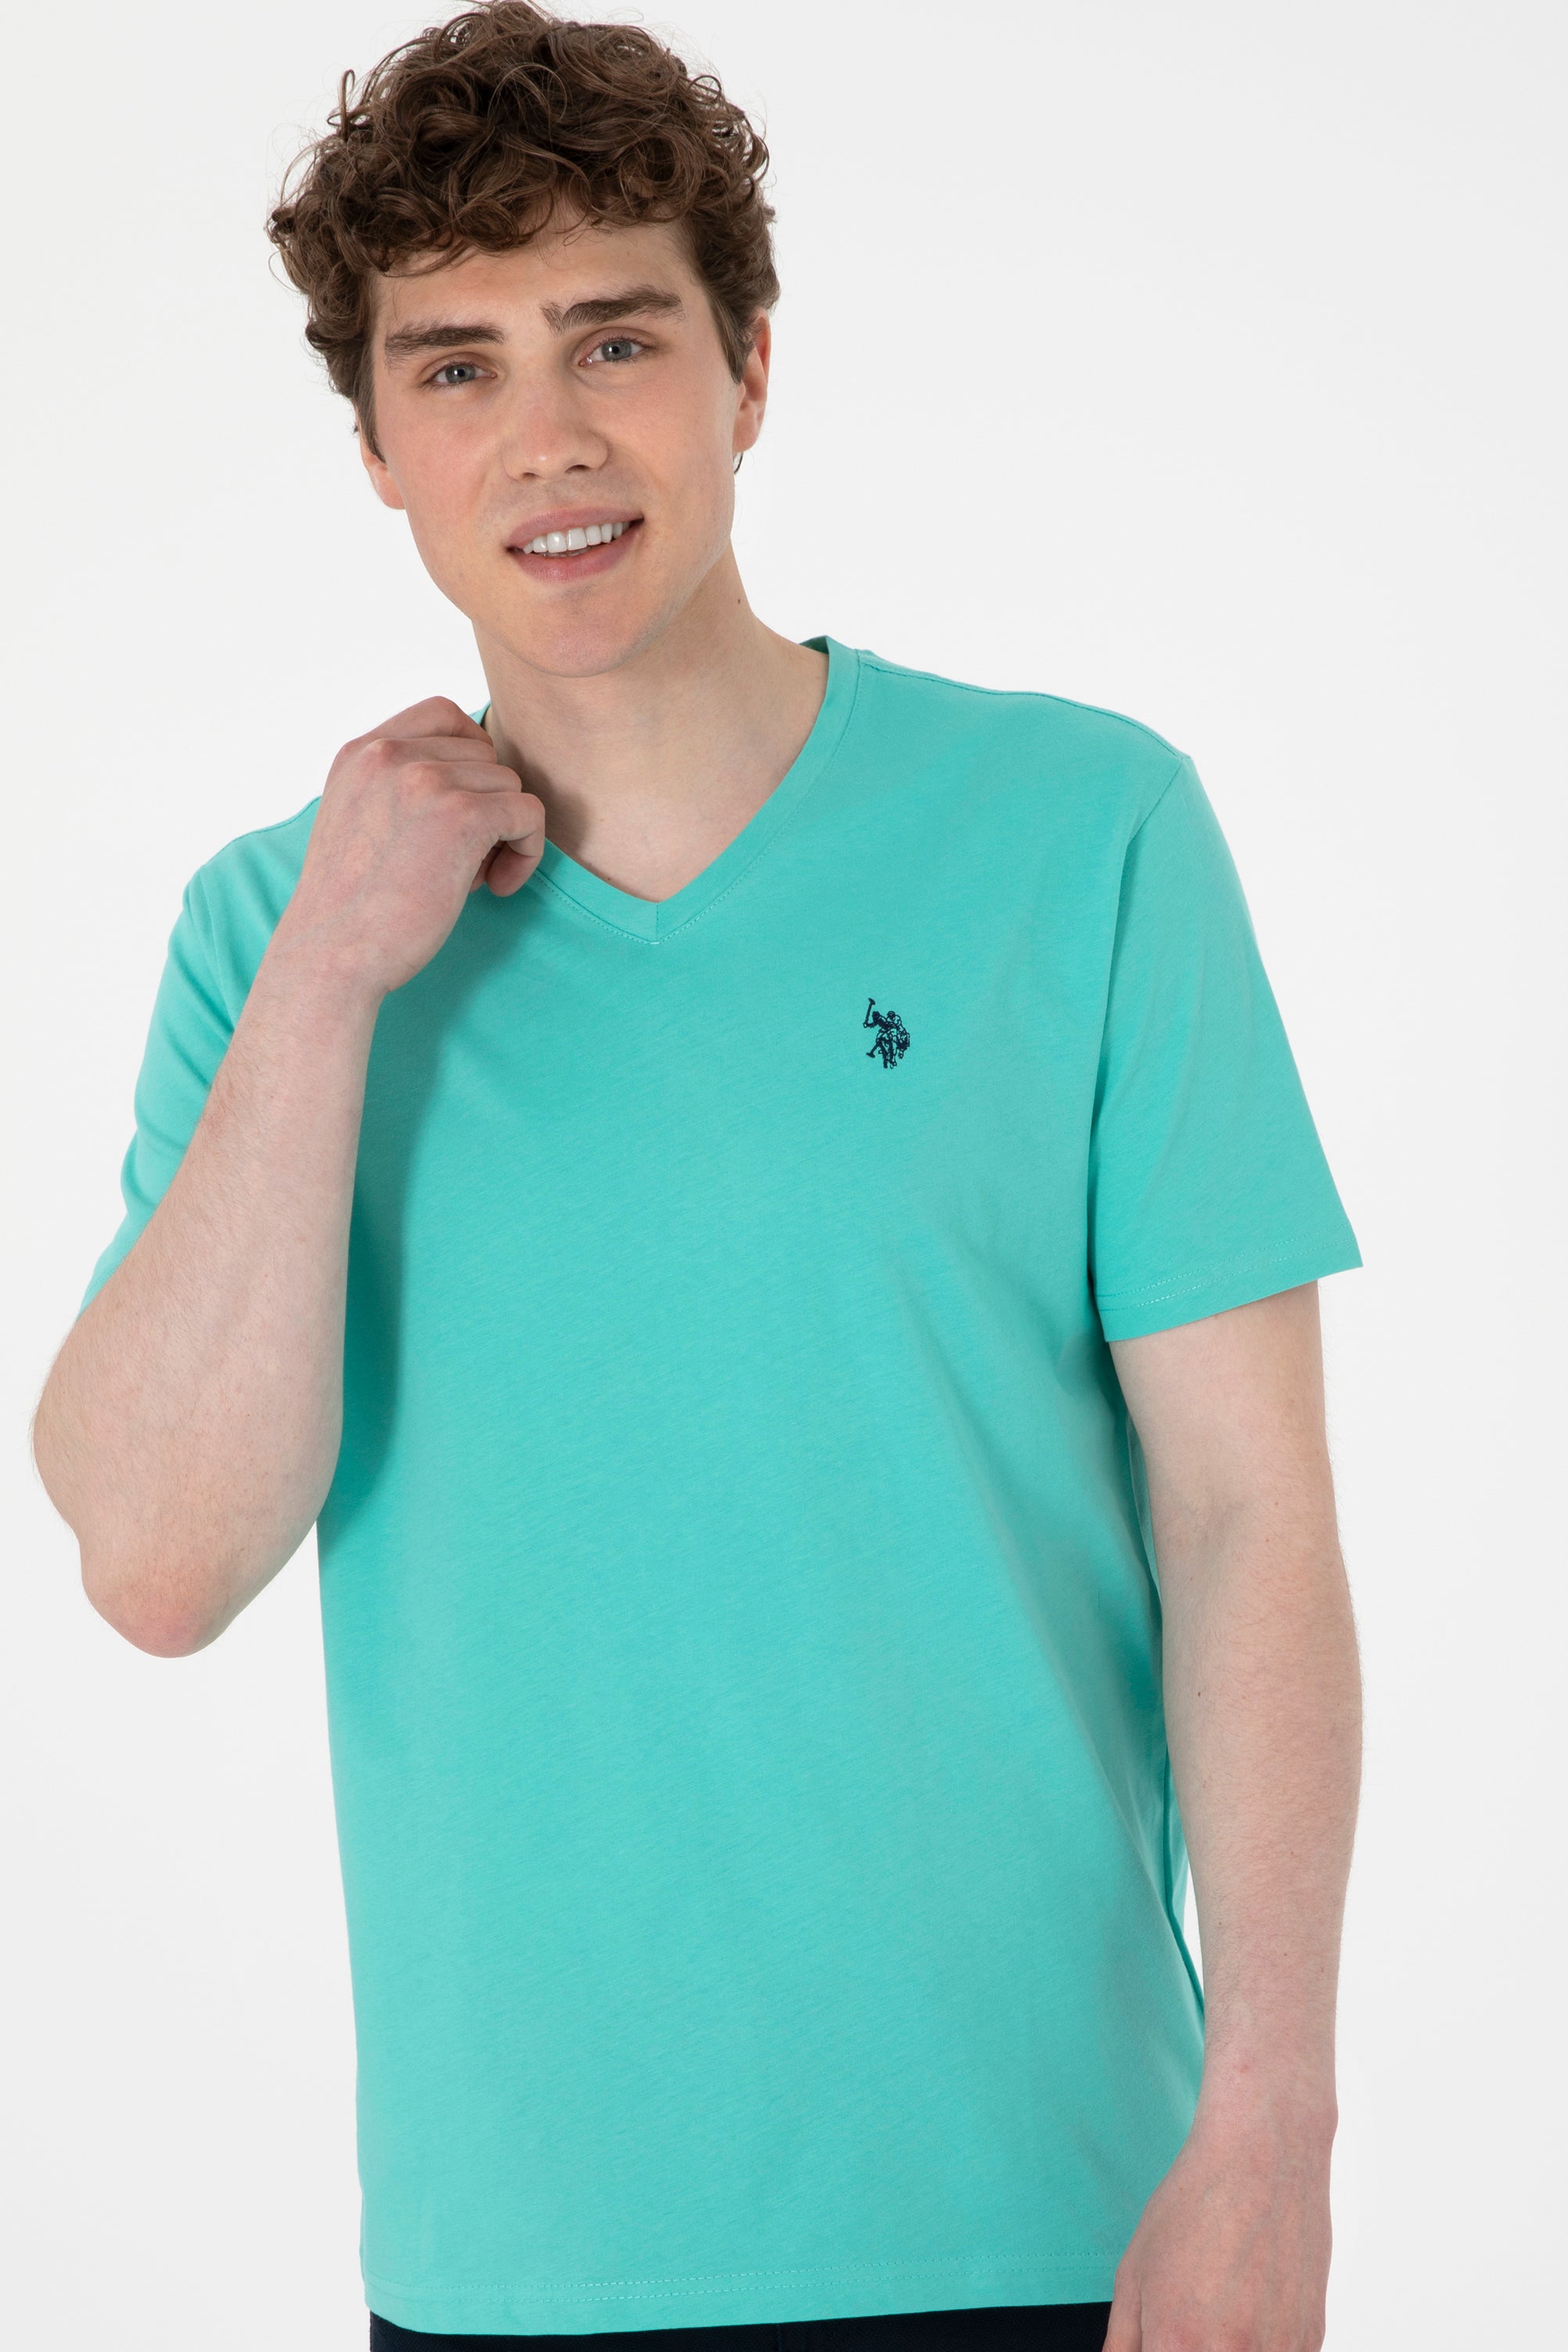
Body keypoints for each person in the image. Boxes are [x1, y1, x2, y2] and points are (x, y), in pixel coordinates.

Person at [31, 5, 1365, 2348]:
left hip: (1060, 2223)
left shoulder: (1082, 834)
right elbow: (152, 1561)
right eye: (455, 366)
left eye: (615, 339)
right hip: (522, 2263)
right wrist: (334, 975)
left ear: (749, 368)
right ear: (377, 447)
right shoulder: (275, 932)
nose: (547, 437)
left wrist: (1270, 2121)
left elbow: (1249, 1513)